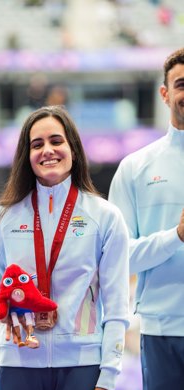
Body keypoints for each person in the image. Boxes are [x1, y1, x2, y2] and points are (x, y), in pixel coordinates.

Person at [0, 105, 129, 390]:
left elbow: (117, 305)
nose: (47, 150)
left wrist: (108, 376)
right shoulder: (1, 217)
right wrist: (6, 304)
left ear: (72, 147)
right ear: (28, 156)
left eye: (56, 141)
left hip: (82, 364)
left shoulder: (105, 216)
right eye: (37, 144)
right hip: (18, 361)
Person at [108, 48, 184, 390]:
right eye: (181, 84)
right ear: (165, 94)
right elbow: (117, 257)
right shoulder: (136, 167)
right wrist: (176, 236)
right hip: (162, 329)